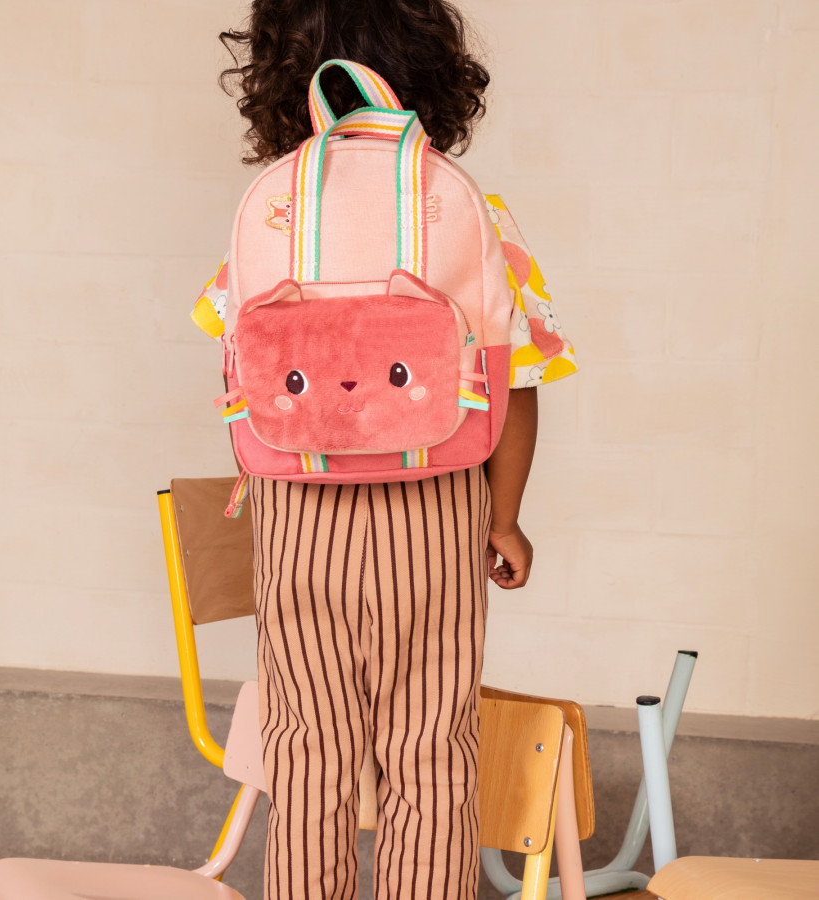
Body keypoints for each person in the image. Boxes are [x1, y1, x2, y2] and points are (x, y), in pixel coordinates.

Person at [193, 3, 577, 897]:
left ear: (278, 78)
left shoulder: (280, 204)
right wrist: (505, 520)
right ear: (435, 72)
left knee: (306, 750)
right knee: (432, 750)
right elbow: (519, 381)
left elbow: (237, 354)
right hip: (437, 508)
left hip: (298, 514)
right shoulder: (468, 204)